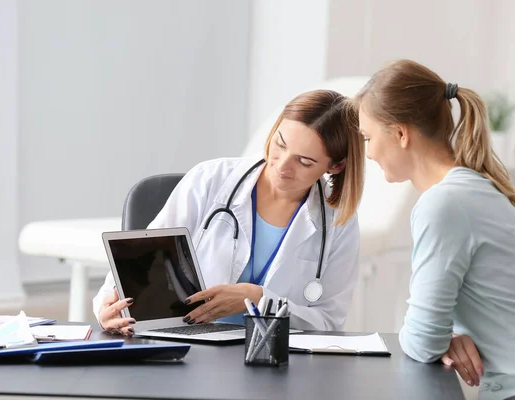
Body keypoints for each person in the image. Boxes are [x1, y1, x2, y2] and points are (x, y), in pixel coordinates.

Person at [94, 89, 366, 336]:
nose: (282, 166)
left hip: (273, 359)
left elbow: (329, 323)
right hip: (192, 347)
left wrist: (260, 299)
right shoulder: (209, 179)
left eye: (304, 162)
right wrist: (108, 304)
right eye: (280, 145)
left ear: (336, 166)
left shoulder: (338, 221)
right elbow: (139, 259)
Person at [354, 59, 515, 399]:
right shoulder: (482, 188)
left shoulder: (444, 203)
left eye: (367, 138)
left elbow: (422, 341)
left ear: (399, 133)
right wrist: (446, 335)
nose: (368, 153)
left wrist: (437, 338)